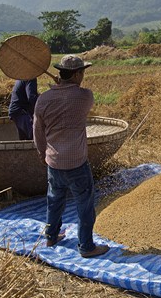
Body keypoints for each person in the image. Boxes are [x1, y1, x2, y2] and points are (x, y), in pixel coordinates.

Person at [33, 54, 110, 256]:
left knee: (54, 200)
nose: (83, 76)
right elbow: (77, 95)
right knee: (84, 204)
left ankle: (51, 237)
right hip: (77, 163)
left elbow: (37, 130)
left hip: (54, 161)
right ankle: (86, 246)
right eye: (82, 72)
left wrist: (42, 152)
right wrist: (66, 87)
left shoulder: (43, 99)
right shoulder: (84, 97)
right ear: (76, 74)